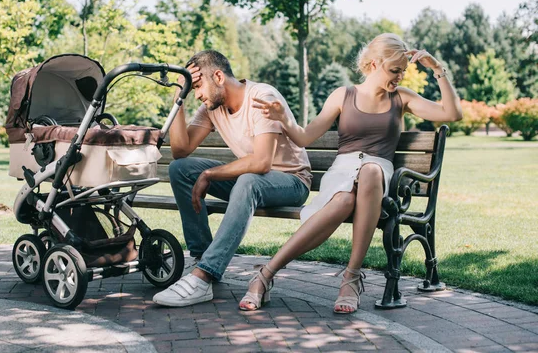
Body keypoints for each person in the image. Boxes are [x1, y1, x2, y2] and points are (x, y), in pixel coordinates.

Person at [240, 33, 463, 313]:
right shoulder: (343, 96)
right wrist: (283, 118)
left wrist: (437, 69)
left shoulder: (402, 98)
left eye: (403, 72)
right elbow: (305, 137)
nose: (400, 78)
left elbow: (452, 114)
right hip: (342, 173)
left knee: (369, 171)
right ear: (373, 64)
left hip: (378, 172)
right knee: (344, 200)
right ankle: (266, 274)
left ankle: (351, 276)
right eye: (395, 71)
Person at [152, 50, 312, 307]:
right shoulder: (212, 107)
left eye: (197, 86)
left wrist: (209, 174)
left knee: (248, 180)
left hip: (291, 181)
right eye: (191, 90)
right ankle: (202, 257)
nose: (198, 95)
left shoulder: (261, 97)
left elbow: (262, 162)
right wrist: (177, 100)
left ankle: (204, 276)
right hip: (252, 181)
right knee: (179, 169)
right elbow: (181, 151)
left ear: (217, 76)